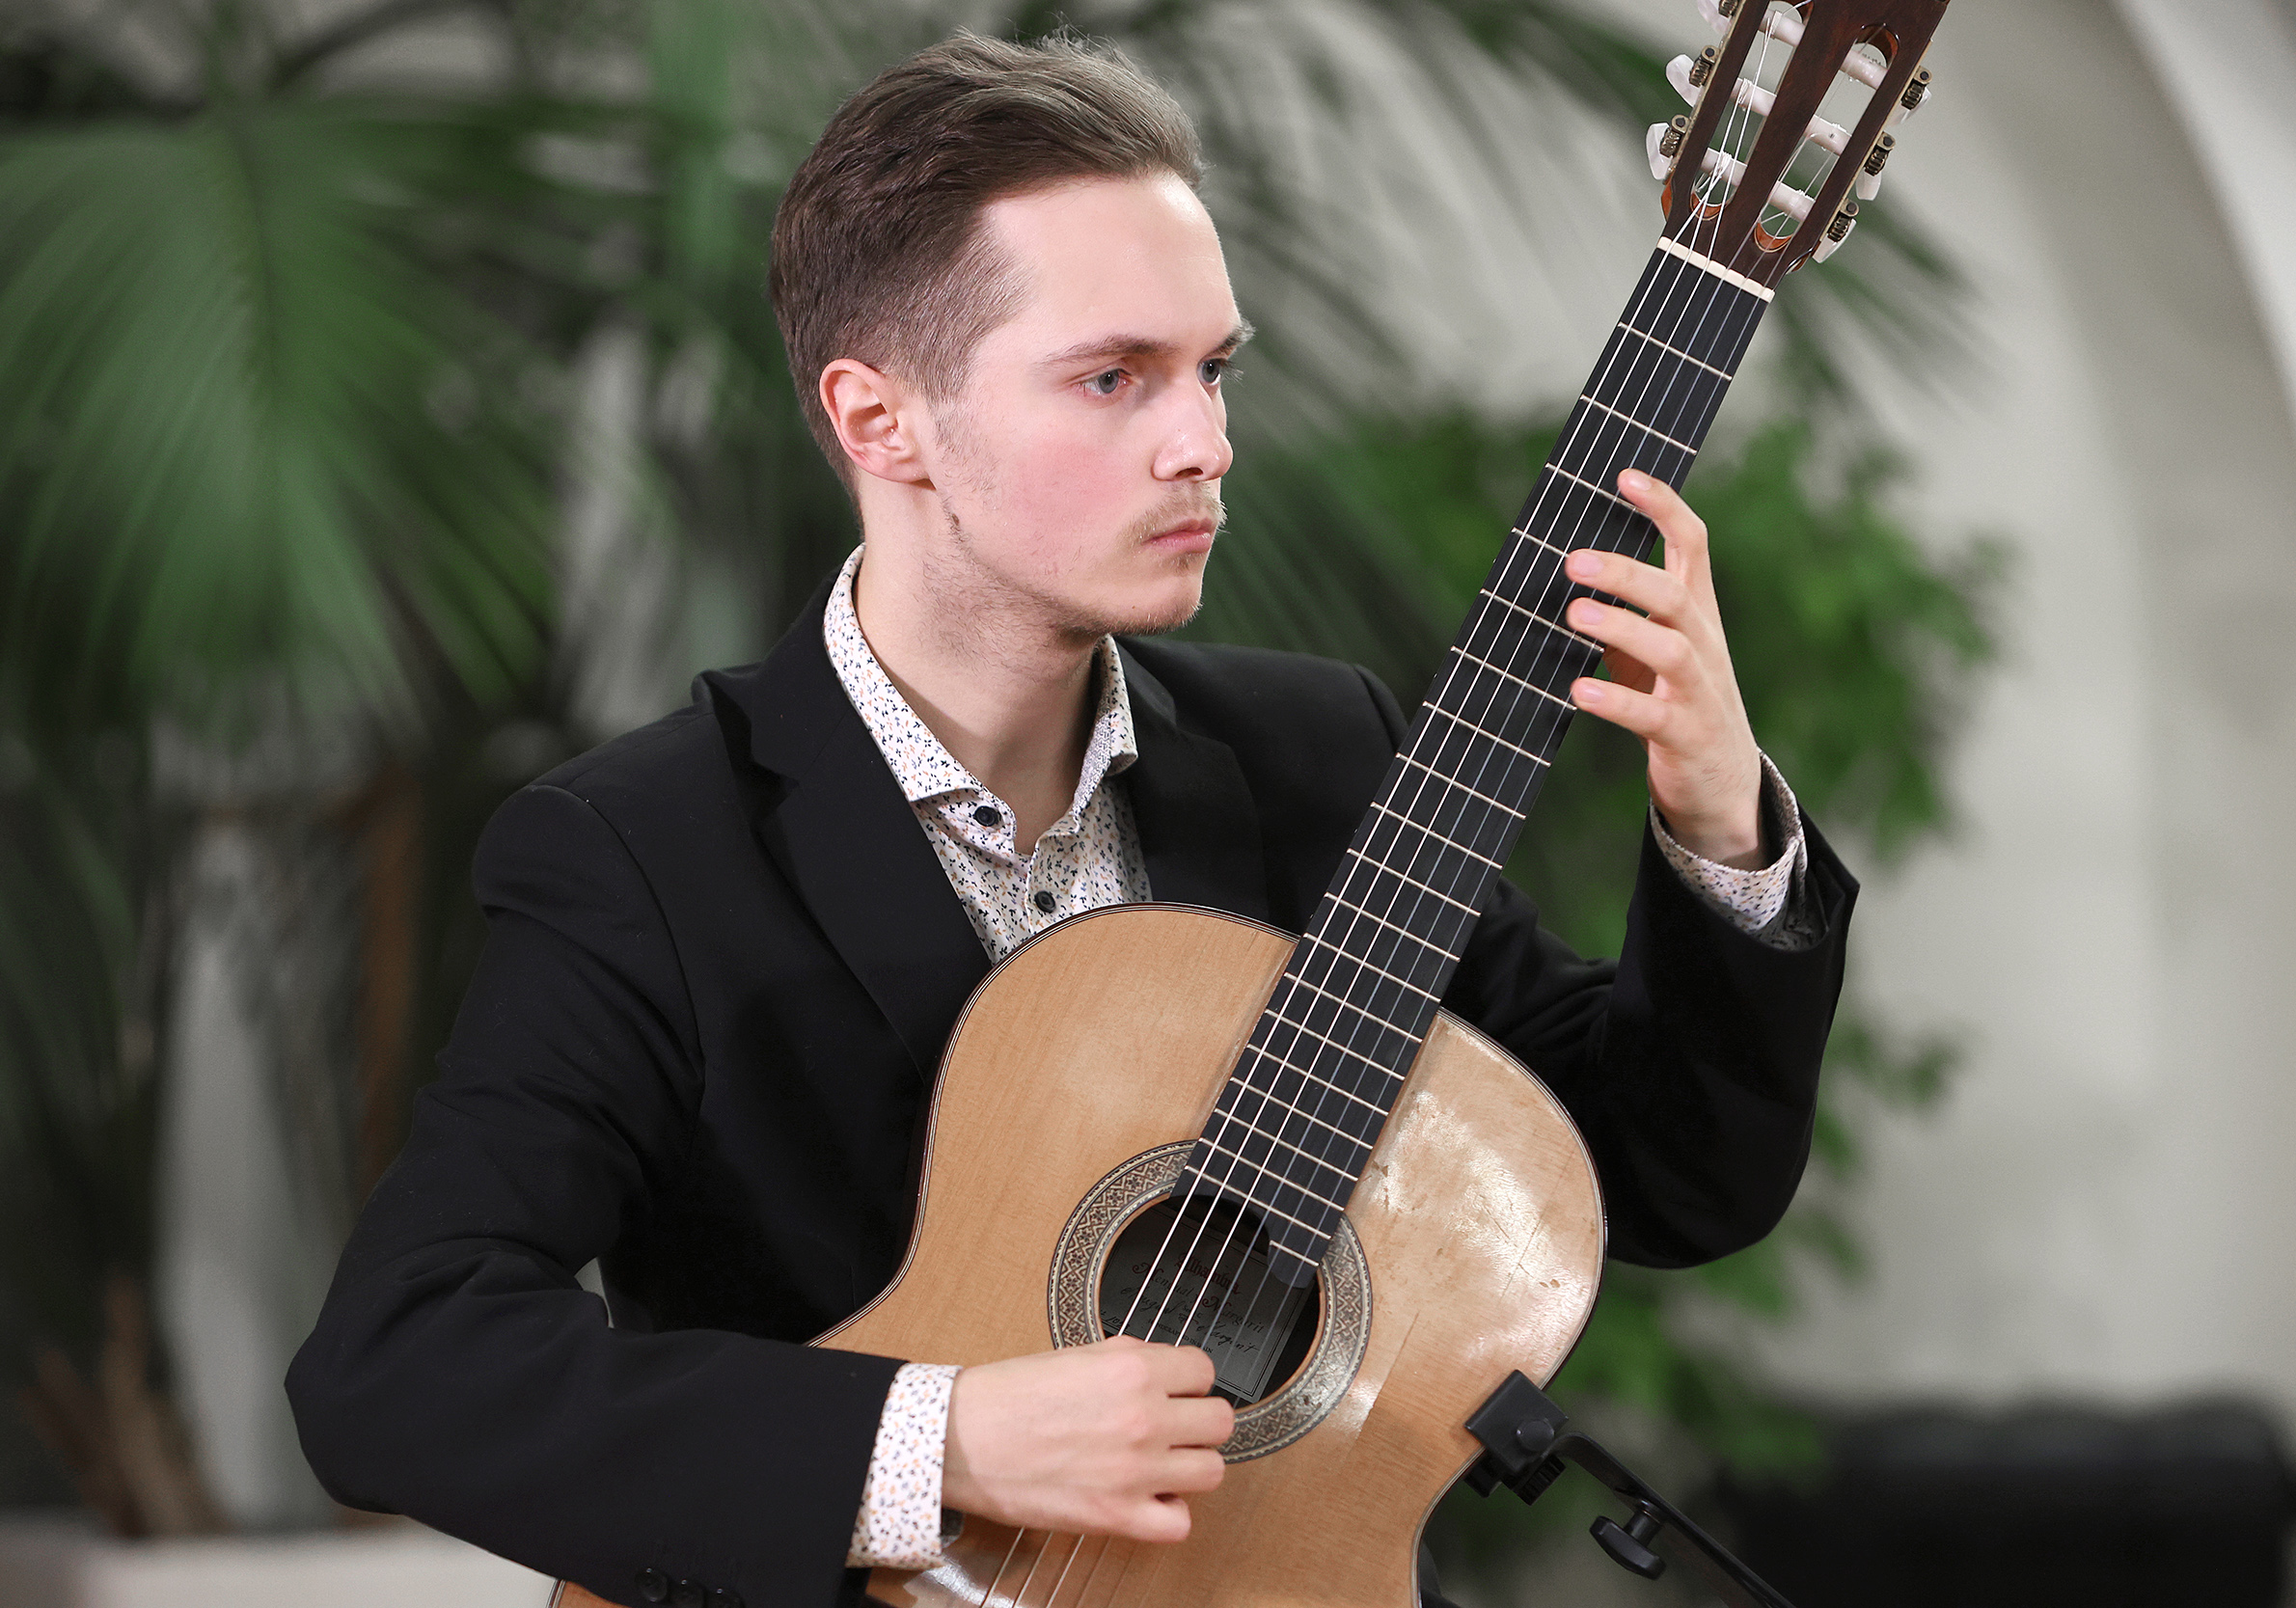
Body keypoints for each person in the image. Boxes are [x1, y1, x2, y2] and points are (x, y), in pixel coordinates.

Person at [287, 31, 1856, 1608]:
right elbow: (400, 1364)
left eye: (1214, 370)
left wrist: (1722, 822)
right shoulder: (644, 852)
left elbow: (1666, 1176)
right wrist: (939, 1438)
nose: (1204, 443)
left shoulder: (1322, 757)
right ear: (880, 421)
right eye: (1115, 378)